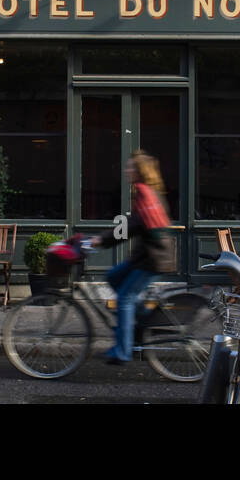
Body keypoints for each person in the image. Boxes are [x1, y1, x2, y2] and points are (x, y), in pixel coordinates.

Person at [89, 150, 177, 364]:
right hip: (145, 255)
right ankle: (144, 319)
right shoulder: (146, 192)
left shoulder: (146, 194)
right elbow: (134, 225)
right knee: (113, 276)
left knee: (125, 299)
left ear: (140, 172)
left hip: (153, 258)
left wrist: (102, 240)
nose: (126, 170)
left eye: (130, 167)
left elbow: (131, 226)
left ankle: (123, 351)